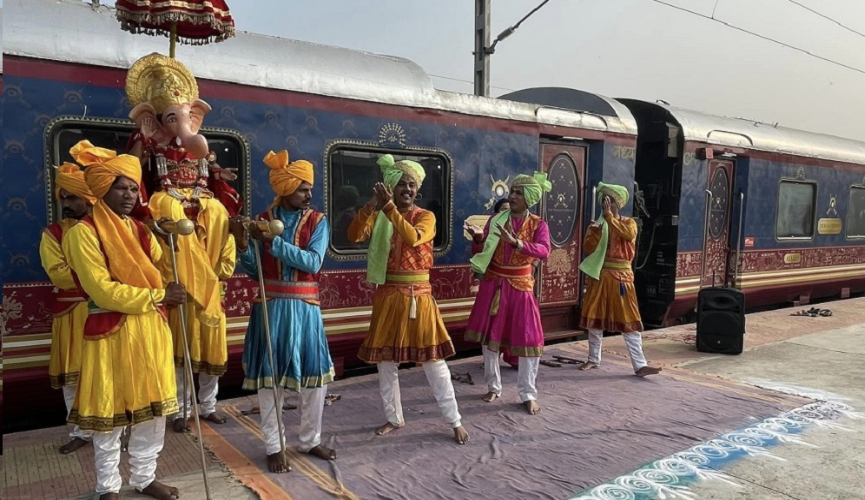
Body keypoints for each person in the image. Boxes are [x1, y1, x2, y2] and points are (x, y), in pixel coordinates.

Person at [62, 140, 184, 500]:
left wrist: (170, 239)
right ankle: (108, 487)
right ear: (102, 189)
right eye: (121, 186)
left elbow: (159, 264)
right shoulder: (82, 234)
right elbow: (102, 291)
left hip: (149, 329)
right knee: (109, 414)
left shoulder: (141, 231)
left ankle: (145, 478)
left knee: (152, 412)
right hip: (110, 331)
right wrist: (159, 296)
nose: (130, 194)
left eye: (134, 187)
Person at [348, 154, 469, 445]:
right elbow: (353, 236)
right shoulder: (380, 217)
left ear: (417, 190)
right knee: (385, 363)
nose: (407, 189)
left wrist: (387, 207)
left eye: (411, 185)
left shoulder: (426, 217)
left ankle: (454, 420)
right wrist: (370, 207)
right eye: (401, 184)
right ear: (391, 188)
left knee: (433, 361)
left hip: (419, 298)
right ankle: (393, 417)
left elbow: (414, 238)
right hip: (389, 296)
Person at [233, 150, 336, 474]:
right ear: (286, 188)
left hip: (306, 310)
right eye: (303, 189)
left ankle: (309, 439)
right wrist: (243, 245)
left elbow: (312, 263)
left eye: (309, 189)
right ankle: (274, 446)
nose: (309, 195)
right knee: (270, 382)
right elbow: (254, 271)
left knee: (315, 381)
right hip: (272, 308)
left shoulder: (318, 222)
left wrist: (272, 243)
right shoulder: (263, 218)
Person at [464, 173, 552, 415]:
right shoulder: (496, 219)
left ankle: (528, 393)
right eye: (512, 191)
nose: (512, 196)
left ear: (529, 198)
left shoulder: (538, 224)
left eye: (518, 193)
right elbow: (480, 251)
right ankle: (493, 386)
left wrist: (518, 243)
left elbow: (545, 250)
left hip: (521, 287)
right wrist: (480, 239)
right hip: (494, 285)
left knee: (529, 340)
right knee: (489, 342)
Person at [40, 163, 97, 454]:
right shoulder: (53, 234)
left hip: (101, 311)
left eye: (73, 197)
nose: (67, 204)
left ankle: (112, 431)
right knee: (72, 377)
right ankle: (80, 432)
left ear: (89, 199)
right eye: (64, 198)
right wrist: (96, 274)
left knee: (102, 372)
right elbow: (58, 273)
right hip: (70, 314)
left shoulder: (106, 229)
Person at [578, 182, 661, 377]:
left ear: (618, 204)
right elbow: (588, 248)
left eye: (610, 201)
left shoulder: (628, 222)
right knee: (594, 319)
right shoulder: (599, 224)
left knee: (629, 320)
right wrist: (596, 230)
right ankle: (593, 359)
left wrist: (609, 219)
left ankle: (640, 365)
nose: (607, 205)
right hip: (600, 275)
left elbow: (628, 235)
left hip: (621, 278)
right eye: (604, 202)